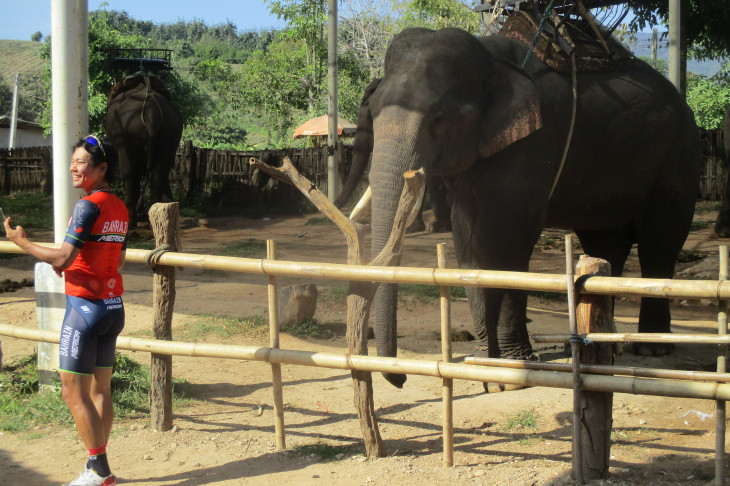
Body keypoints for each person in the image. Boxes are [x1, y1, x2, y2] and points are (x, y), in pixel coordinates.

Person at [4, 135, 128, 486]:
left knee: (72, 392)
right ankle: (100, 464)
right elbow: (114, 258)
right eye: (73, 161)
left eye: (81, 162)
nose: (74, 167)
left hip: (84, 311)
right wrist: (76, 266)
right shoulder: (118, 206)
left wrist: (22, 242)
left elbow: (62, 256)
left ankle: (98, 470)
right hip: (112, 307)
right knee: (100, 391)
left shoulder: (87, 206)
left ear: (101, 169)